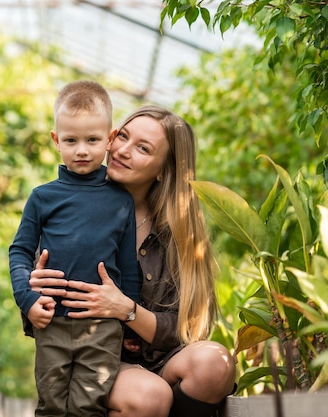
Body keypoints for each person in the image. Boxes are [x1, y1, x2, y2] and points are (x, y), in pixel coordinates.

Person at [30, 105, 237, 417]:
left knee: (215, 364)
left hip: (162, 360)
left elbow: (186, 329)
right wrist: (35, 291)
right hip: (97, 356)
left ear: (164, 170)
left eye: (142, 148)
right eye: (123, 136)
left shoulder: (179, 233)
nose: (123, 151)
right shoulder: (70, 206)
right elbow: (40, 311)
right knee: (149, 397)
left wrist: (125, 309)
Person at [9, 80, 142, 417]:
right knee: (51, 403)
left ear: (109, 139)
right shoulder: (43, 197)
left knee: (88, 405)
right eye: (71, 140)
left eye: (92, 140)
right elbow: (20, 251)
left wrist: (128, 323)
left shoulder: (121, 201)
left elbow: (128, 268)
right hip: (52, 320)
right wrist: (28, 301)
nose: (81, 150)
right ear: (56, 141)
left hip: (102, 326)